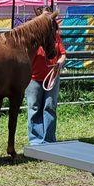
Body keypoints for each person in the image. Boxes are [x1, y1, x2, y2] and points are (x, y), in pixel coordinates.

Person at [25, 7, 66, 145]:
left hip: (52, 76)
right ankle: (36, 140)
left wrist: (59, 63)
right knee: (34, 107)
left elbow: (62, 54)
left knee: (50, 106)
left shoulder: (54, 35)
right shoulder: (32, 36)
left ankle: (48, 139)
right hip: (33, 78)